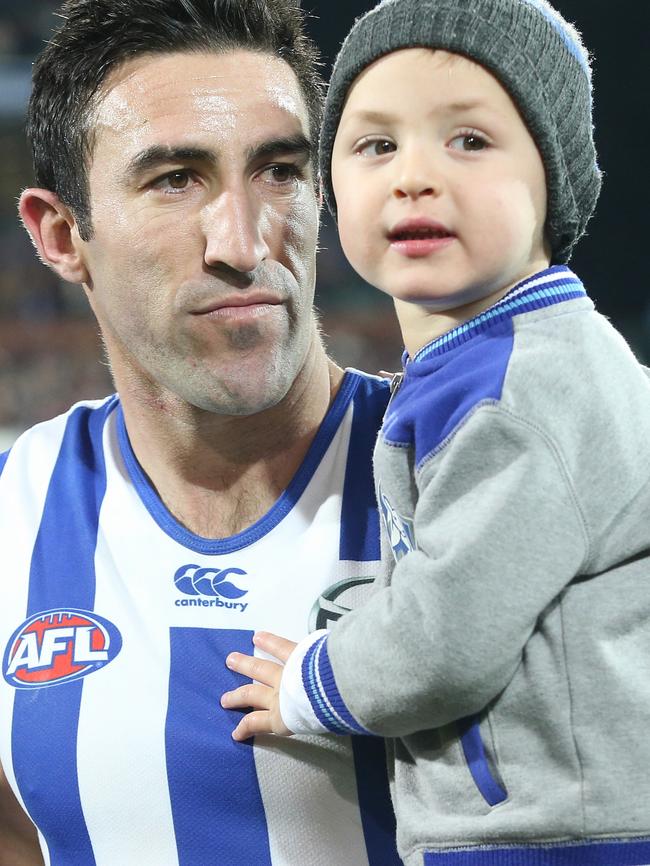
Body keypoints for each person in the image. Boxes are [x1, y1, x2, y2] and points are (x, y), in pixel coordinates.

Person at [221, 0, 650, 863]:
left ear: (553, 180)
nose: (414, 176)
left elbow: (447, 644)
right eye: (377, 145)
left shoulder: (527, 385)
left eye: (470, 141)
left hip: (557, 837)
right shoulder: (487, 362)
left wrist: (312, 681)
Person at [0, 0, 404, 863]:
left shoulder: (466, 476)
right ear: (62, 233)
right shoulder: (13, 511)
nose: (244, 241)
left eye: (279, 170)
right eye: (174, 179)